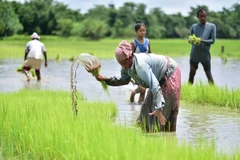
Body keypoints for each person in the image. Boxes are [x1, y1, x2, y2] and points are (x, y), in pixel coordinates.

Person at [95, 40, 181, 132]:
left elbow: (154, 85)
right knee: (145, 111)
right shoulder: (125, 66)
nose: (124, 65)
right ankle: (147, 137)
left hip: (169, 73)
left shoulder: (140, 66)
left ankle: (167, 138)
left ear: (130, 56)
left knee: (164, 114)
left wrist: (159, 109)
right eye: (121, 63)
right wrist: (105, 79)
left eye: (125, 62)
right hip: (158, 78)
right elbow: (124, 80)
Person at [188, 8, 216, 85]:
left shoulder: (211, 26)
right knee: (191, 74)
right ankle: (188, 92)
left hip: (205, 55)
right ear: (198, 17)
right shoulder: (194, 26)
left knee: (208, 75)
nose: (203, 18)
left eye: (204, 16)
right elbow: (190, 40)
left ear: (206, 16)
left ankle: (214, 91)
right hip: (194, 55)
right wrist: (191, 41)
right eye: (201, 16)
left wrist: (202, 41)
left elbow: (213, 40)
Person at [129, 20, 151, 104]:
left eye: (144, 30)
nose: (143, 32)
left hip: (146, 67)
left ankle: (137, 107)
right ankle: (133, 93)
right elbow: (130, 56)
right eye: (140, 31)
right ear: (136, 32)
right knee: (142, 88)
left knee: (143, 91)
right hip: (137, 67)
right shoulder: (133, 43)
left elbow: (150, 54)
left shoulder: (147, 41)